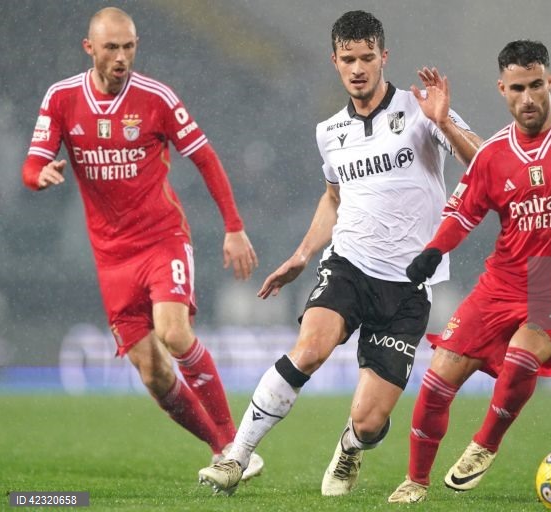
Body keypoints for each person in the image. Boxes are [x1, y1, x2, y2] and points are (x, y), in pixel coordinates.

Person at [198, 9, 482, 497]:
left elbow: (486, 164)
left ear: (383, 57)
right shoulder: (329, 132)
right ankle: (235, 458)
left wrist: (445, 124)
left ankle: (351, 446)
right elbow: (333, 197)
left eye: (367, 57)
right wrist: (305, 253)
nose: (357, 68)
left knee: (370, 422)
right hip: (349, 264)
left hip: (409, 284)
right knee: (309, 349)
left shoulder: (421, 108)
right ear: (335, 60)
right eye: (348, 58)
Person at [388, 39, 551, 503]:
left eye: (535, 85)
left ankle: (484, 445)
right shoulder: (493, 155)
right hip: (503, 281)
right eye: (516, 89)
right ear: (501, 90)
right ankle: (415, 480)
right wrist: (433, 250)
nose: (527, 98)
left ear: (550, 81)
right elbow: (463, 213)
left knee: (522, 356)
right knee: (436, 379)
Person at [21, 7, 264, 475]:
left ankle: (237, 445)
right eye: (111, 47)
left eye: (129, 46)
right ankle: (221, 450)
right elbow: (31, 166)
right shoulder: (61, 98)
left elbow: (206, 158)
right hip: (110, 257)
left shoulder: (156, 98)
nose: (121, 57)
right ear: (89, 48)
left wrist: (234, 226)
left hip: (161, 239)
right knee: (153, 374)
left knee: (174, 332)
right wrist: (41, 175)